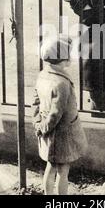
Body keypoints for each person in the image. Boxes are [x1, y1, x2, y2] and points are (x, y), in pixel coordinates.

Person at [33, 36, 88, 195]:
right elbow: (56, 114)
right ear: (62, 59)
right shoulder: (61, 83)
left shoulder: (43, 75)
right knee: (63, 171)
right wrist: (44, 127)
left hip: (48, 133)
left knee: (50, 167)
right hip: (62, 135)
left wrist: (38, 124)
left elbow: (35, 102)